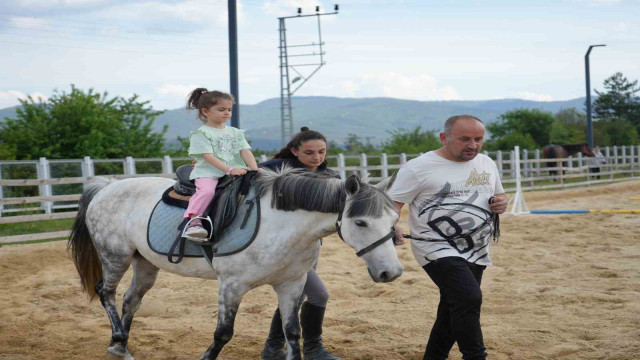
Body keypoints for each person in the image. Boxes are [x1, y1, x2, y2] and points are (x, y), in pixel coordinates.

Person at [388, 115, 508, 360]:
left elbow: (499, 196)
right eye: (465, 139)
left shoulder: (486, 163)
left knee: (453, 307)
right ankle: (475, 356)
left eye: (478, 139)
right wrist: (393, 224)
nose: (472, 145)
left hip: (477, 247)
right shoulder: (418, 167)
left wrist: (500, 204)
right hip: (435, 247)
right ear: (444, 138)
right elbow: (391, 204)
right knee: (469, 298)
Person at [259, 127, 341, 360]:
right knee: (318, 295)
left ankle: (273, 347)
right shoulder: (279, 168)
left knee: (295, 297)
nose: (316, 157)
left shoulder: (331, 177)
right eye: (309, 152)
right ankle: (313, 349)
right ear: (295, 151)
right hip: (282, 249)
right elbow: (245, 173)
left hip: (310, 249)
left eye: (322, 152)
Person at [183, 88, 259, 241]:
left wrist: (254, 169)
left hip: (236, 170)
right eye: (221, 109)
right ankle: (194, 221)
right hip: (209, 172)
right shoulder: (201, 134)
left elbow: (245, 151)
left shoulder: (235, 132)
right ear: (205, 112)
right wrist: (230, 169)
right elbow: (208, 157)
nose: (227, 113)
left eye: (229, 109)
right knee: (207, 192)